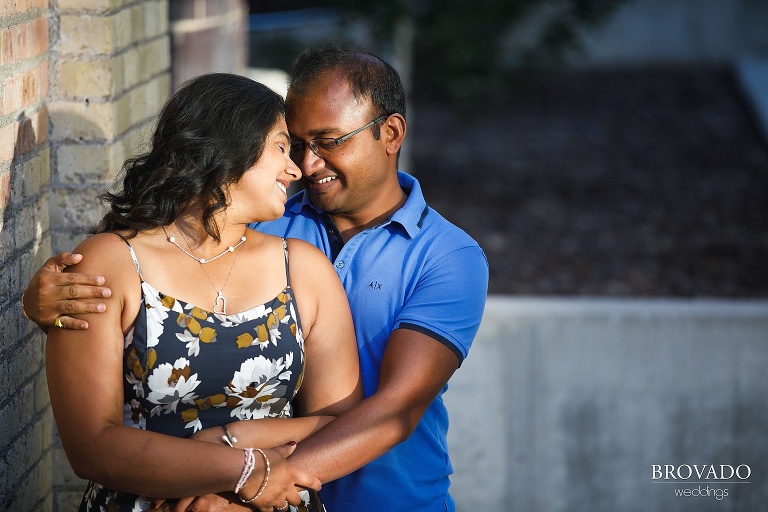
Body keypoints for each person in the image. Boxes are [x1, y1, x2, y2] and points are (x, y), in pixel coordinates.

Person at [24, 42, 489, 511]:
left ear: (390, 133)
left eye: (329, 142)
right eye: (296, 144)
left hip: (386, 499)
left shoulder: (447, 257)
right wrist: (46, 305)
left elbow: (396, 410)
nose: (306, 165)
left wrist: (241, 483)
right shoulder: (258, 217)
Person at [41, 72, 362, 512]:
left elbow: (342, 423)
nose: (296, 168)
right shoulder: (111, 265)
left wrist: (241, 466)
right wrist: (238, 471)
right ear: (229, 149)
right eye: (282, 148)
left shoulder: (302, 268)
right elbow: (91, 446)